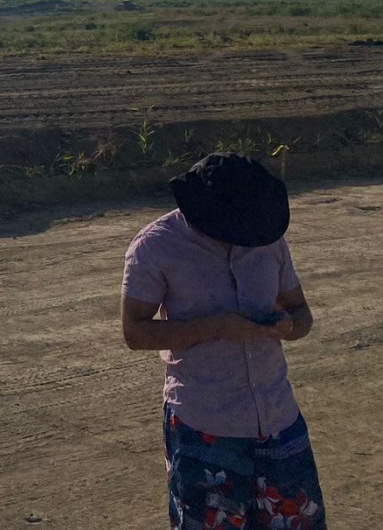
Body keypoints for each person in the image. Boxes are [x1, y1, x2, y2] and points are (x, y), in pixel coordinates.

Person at [121, 152, 327, 529]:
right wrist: (217, 327)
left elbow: (302, 314)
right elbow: (134, 331)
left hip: (278, 418)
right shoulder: (156, 246)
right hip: (204, 423)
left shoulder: (266, 237)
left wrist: (287, 326)